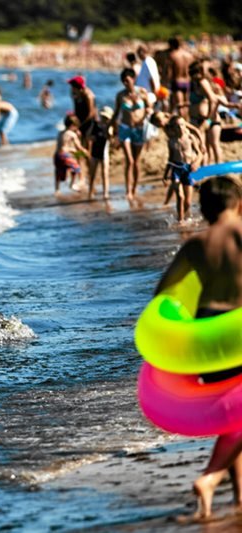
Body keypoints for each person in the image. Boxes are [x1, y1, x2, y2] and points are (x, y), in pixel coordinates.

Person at [153, 176, 242, 520]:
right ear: (236, 203)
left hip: (207, 330)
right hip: (238, 324)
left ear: (203, 209)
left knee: (233, 414)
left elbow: (163, 292)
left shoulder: (195, 245)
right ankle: (209, 478)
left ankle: (235, 501)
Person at [111, 68, 151, 200]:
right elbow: (116, 112)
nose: (126, 83)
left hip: (139, 129)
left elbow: (150, 108)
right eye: (124, 81)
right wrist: (109, 126)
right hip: (125, 128)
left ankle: (135, 188)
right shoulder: (120, 95)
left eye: (128, 80)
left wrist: (147, 114)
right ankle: (128, 190)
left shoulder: (142, 92)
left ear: (133, 79)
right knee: (130, 160)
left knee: (137, 161)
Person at [162, 115, 204, 222]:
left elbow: (200, 154)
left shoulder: (190, 138)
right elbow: (170, 158)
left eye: (182, 125)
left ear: (185, 125)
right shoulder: (171, 141)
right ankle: (180, 221)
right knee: (180, 196)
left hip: (188, 168)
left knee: (188, 201)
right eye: (177, 126)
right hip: (176, 168)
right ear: (173, 128)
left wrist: (196, 163)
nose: (180, 128)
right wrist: (165, 174)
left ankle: (182, 216)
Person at [54, 114, 87, 193]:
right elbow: (79, 147)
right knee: (76, 168)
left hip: (57, 156)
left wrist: (72, 150)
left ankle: (57, 189)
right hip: (64, 156)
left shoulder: (60, 132)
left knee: (59, 172)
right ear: (72, 125)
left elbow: (63, 146)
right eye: (76, 127)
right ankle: (72, 184)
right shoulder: (72, 134)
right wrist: (85, 152)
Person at [87, 107, 114, 201]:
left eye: (106, 118)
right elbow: (88, 136)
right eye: (103, 117)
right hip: (95, 152)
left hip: (104, 152)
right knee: (92, 173)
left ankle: (105, 192)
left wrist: (109, 131)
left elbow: (111, 138)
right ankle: (90, 191)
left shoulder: (109, 127)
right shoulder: (95, 125)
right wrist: (91, 137)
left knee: (105, 173)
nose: (104, 119)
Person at [68, 75, 97, 152]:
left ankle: (89, 161)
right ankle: (81, 162)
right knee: (79, 144)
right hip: (81, 121)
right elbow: (76, 110)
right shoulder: (75, 95)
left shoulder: (88, 95)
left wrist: (80, 125)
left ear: (78, 87)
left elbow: (91, 114)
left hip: (89, 122)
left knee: (88, 144)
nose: (71, 89)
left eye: (73, 87)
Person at [168, 37, 194, 118]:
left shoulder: (173, 55)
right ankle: (187, 122)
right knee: (186, 104)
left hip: (177, 81)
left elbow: (169, 73)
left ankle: (183, 123)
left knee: (180, 105)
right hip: (188, 81)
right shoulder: (189, 55)